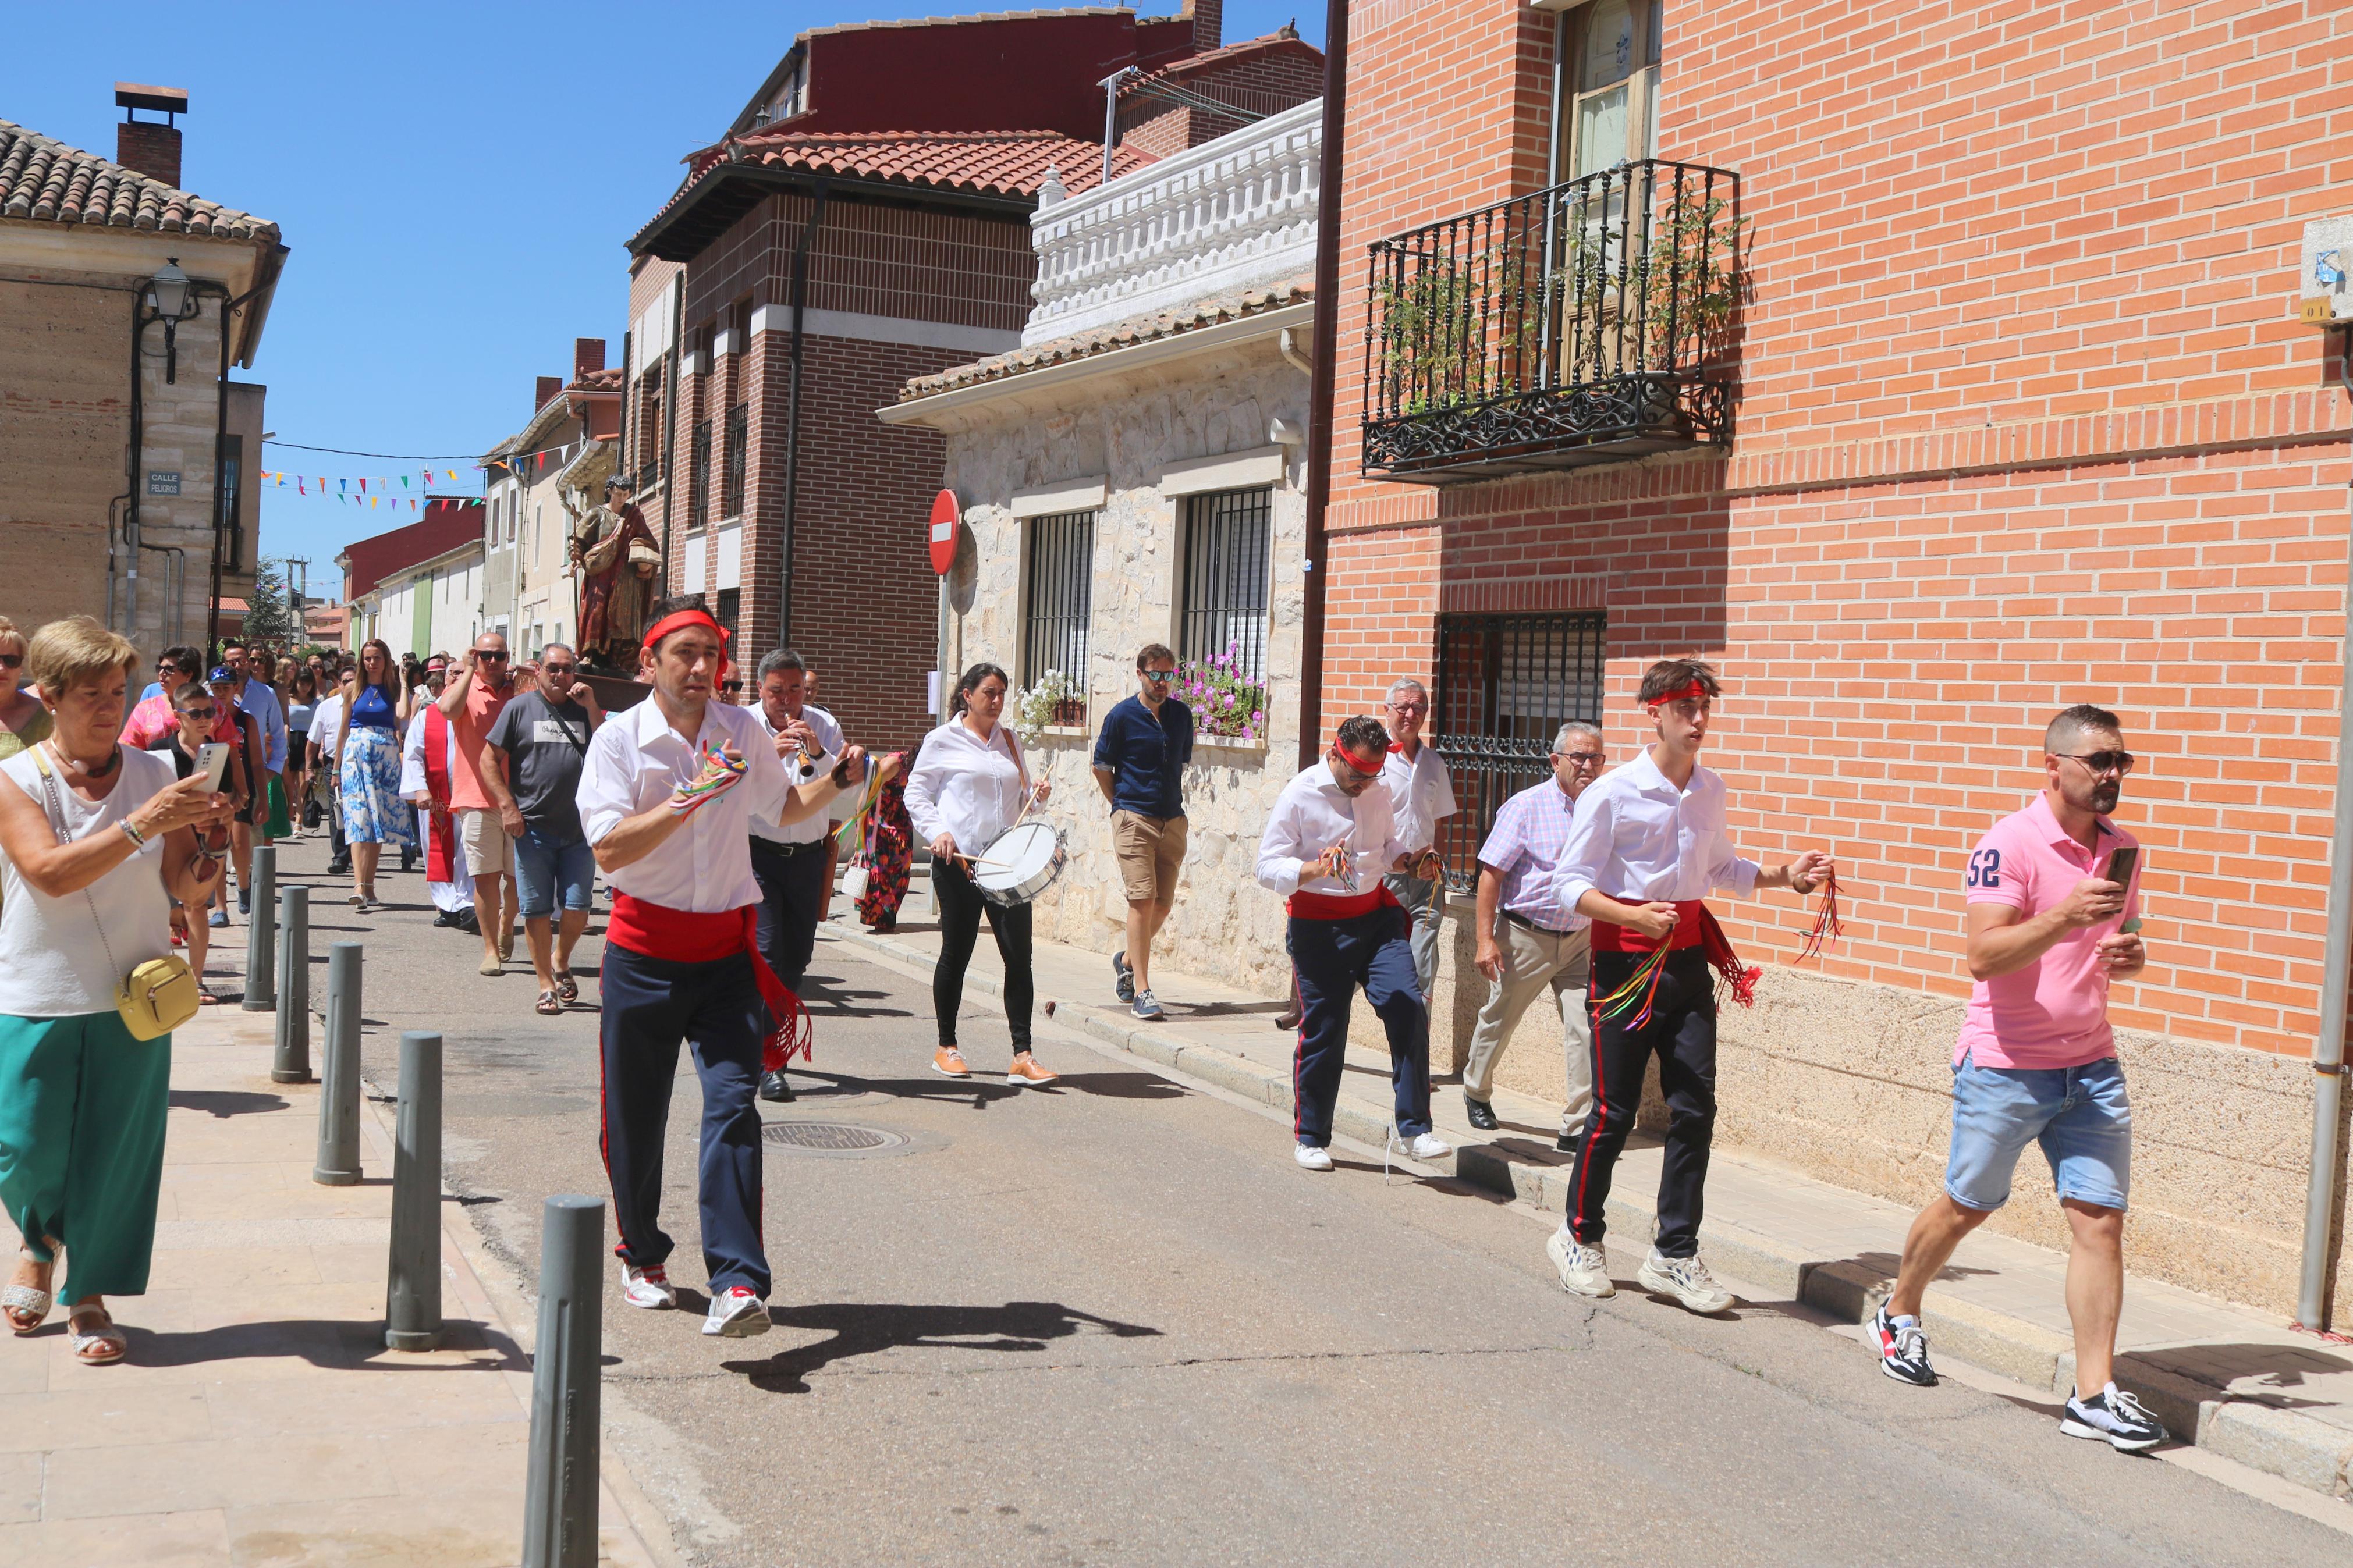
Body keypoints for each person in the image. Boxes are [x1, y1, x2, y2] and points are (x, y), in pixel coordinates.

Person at [1871, 705, 2165, 1452]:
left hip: (2090, 1064)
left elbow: (2123, 939)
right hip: (2005, 1064)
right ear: (2054, 766)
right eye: (2098, 760)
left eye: (2119, 761)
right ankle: (1899, 1308)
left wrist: (2128, 955)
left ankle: (2093, 1394)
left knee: (2099, 1221)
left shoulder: (2123, 849)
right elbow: (1982, 955)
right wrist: (2064, 916)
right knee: (1968, 1204)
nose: (2111, 774)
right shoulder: (2008, 842)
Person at [577, 598, 865, 1337]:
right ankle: (642, 1255)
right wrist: (691, 795)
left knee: (734, 1106)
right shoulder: (617, 742)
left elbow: (786, 809)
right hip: (641, 956)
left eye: (712, 653)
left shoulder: (741, 730)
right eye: (686, 654)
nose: (704, 667)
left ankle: (737, 1282)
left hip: (726, 956)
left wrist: (842, 779)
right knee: (634, 1120)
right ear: (649, 664)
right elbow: (608, 849)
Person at [1546, 659, 1833, 1313]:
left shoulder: (1708, 789)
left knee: (1695, 1109)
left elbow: (1719, 866)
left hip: (1686, 963)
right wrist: (1630, 915)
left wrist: (1784, 875)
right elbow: (1568, 884)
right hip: (1622, 967)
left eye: (1705, 707)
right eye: (1685, 708)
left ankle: (1672, 1252)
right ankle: (1577, 1236)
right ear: (1654, 711)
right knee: (1613, 1112)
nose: (1698, 720)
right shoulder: (1612, 792)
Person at [0, 616, 229, 1364]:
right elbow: (49, 874)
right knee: (25, 1148)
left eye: (118, 690)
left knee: (114, 1154)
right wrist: (142, 823)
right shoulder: (14, 777)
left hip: (135, 996)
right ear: (50, 697)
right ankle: (40, 1241)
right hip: (34, 989)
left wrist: (212, 841)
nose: (109, 706)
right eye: (91, 693)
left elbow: (185, 888)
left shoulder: (157, 773)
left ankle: (88, 1293)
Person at [1256, 716, 1451, 1171]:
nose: (1366, 782)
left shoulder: (1377, 787)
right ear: (1335, 754)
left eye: (1374, 773)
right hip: (1319, 925)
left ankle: (1414, 1129)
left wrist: (1410, 861)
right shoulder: (1300, 794)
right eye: (1357, 773)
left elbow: (1384, 848)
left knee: (1407, 1003)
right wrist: (1311, 870)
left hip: (1376, 916)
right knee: (1325, 1029)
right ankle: (1310, 1137)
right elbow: (1265, 868)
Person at [906, 664, 1058, 1086]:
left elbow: (1025, 799)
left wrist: (1037, 796)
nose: (996, 700)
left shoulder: (1009, 740)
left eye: (1002, 693)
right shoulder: (941, 740)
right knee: (957, 953)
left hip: (1006, 866)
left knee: (1018, 958)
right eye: (989, 692)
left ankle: (1022, 1056)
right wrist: (938, 832)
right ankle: (946, 1046)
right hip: (960, 864)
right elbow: (915, 793)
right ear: (966, 695)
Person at [1460, 723, 1606, 1146]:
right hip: (1526, 935)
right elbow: (1490, 875)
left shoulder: (1602, 807)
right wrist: (1486, 940)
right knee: (1501, 1017)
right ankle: (1476, 1088)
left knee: (1584, 1026)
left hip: (1580, 938)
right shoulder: (1525, 806)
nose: (1586, 765)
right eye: (1578, 756)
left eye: (1594, 757)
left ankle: (1577, 1126)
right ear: (1555, 760)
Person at [746, 649, 858, 1099]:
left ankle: (764, 1042)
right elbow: (728, 785)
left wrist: (816, 750)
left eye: (795, 689)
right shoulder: (742, 725)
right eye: (777, 691)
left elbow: (843, 784)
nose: (787, 700)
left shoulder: (823, 725)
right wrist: (766, 754)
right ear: (761, 689)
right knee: (769, 952)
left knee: (797, 960)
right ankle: (770, 1060)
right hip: (757, 854)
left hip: (808, 855)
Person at [483, 643, 604, 1015]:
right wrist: (508, 806)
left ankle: (561, 959)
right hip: (532, 828)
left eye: (567, 669)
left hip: (580, 829)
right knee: (535, 910)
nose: (560, 675)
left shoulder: (586, 711)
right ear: (539, 671)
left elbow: (609, 750)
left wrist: (593, 706)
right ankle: (545, 984)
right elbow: (488, 759)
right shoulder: (520, 708)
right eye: (553, 668)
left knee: (578, 908)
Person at [1093, 643, 1193, 1022]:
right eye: (1156, 673)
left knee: (1163, 903)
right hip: (1134, 817)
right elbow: (1101, 766)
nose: (1163, 681)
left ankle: (1124, 959)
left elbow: (1180, 761)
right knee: (1142, 899)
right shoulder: (1121, 716)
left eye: (1169, 674)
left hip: (1172, 819)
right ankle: (1142, 990)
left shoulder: (1182, 715)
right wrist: (1120, 806)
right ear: (1140, 673)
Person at [145, 680, 238, 1001]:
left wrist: (221, 806)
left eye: (209, 712)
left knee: (196, 906)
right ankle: (157, 980)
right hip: (166, 838)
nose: (204, 718)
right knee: (156, 908)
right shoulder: (158, 751)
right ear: (178, 715)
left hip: (205, 835)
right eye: (196, 713)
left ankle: (196, 981)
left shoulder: (216, 751)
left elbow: (231, 794)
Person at [439, 632, 519, 975]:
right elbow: (446, 710)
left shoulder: (520, 688)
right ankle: (490, 950)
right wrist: (468, 670)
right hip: (475, 797)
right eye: (485, 655)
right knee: (486, 879)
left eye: (499, 656)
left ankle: (507, 921)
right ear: (475, 655)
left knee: (518, 881)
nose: (492, 662)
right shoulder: (464, 688)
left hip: (520, 800)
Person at [1380, 679, 1458, 999]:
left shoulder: (1434, 764)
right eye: (1403, 707)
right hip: (1385, 876)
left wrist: (1436, 860)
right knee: (1377, 955)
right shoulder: (1375, 759)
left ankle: (1416, 1040)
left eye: (1419, 708)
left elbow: (1439, 822)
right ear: (1387, 710)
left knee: (1422, 961)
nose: (1411, 714)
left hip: (1426, 879)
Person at [336, 639, 415, 911]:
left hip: (385, 758)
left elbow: (403, 715)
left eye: (377, 658)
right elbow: (344, 730)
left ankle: (369, 886)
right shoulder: (352, 689)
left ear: (386, 660)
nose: (372, 663)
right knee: (358, 819)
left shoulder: (393, 689)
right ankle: (359, 885)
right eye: (368, 658)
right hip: (356, 755)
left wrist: (403, 682)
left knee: (376, 822)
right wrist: (336, 768)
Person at [399, 660, 477, 931]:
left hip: (474, 792)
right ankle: (446, 905)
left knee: (470, 849)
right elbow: (413, 754)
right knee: (439, 848)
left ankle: (468, 903)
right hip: (437, 794)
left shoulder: (481, 711)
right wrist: (420, 788)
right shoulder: (427, 716)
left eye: (465, 673)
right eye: (454, 673)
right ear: (444, 680)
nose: (458, 678)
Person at [218, 641, 287, 909]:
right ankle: (221, 900)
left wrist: (273, 770)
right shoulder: (209, 693)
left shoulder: (265, 693)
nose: (237, 665)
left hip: (254, 773)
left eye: (242, 660)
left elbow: (279, 734)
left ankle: (251, 890)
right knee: (218, 839)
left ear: (249, 662)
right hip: (218, 776)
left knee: (253, 839)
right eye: (231, 661)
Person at [565, 475, 658, 670]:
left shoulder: (634, 516)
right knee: (596, 613)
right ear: (609, 492)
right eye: (618, 494)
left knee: (623, 618)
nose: (621, 498)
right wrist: (575, 560)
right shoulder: (596, 514)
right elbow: (578, 540)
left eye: (625, 494)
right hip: (601, 576)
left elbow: (648, 541)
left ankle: (618, 658)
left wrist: (643, 556)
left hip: (626, 578)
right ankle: (590, 654)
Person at [853, 753, 915, 934]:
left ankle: (888, 915)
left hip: (900, 823)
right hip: (879, 825)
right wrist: (859, 830)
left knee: (902, 868)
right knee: (880, 872)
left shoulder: (922, 768)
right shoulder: (894, 764)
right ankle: (882, 919)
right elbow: (866, 793)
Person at [119, 643, 203, 752]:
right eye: (160, 668)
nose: (162, 673)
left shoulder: (213, 711)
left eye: (169, 669)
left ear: (188, 675)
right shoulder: (145, 709)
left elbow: (230, 749)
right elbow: (128, 750)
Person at [309, 663, 351, 877]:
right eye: (346, 682)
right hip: (332, 763)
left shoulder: (367, 705)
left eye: (354, 681)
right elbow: (314, 739)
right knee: (337, 810)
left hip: (359, 764)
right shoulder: (326, 706)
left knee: (357, 809)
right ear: (339, 684)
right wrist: (309, 768)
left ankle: (358, 852)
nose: (350, 685)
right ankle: (341, 856)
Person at [283, 665, 318, 839]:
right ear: (295, 682)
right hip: (289, 741)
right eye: (302, 683)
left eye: (309, 684)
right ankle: (289, 813)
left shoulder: (316, 703)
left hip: (308, 743)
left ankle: (299, 821)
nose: (305, 687)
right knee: (288, 785)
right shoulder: (287, 700)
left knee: (303, 785)